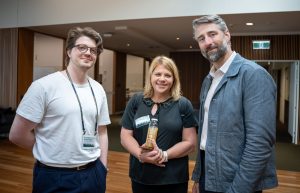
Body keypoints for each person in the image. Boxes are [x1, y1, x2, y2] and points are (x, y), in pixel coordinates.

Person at [9, 26, 110, 193]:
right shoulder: (43, 86)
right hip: (54, 175)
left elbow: (102, 131)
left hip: (93, 173)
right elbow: (17, 134)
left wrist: (103, 166)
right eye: (82, 47)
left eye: (93, 50)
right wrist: (49, 149)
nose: (88, 53)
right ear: (69, 51)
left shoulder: (98, 89)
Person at [191, 15, 278, 193]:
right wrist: (198, 176)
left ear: (227, 35)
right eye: (201, 38)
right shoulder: (209, 79)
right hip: (208, 176)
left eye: (212, 34)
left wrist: (238, 189)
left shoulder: (253, 75)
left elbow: (260, 144)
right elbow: (205, 135)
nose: (208, 42)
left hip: (238, 182)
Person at [120, 55, 198, 193]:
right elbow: (125, 136)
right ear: (151, 76)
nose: (162, 79)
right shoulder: (136, 101)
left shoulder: (183, 104)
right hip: (141, 175)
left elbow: (190, 143)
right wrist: (140, 154)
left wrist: (164, 155)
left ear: (174, 79)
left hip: (173, 178)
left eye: (167, 75)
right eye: (158, 74)